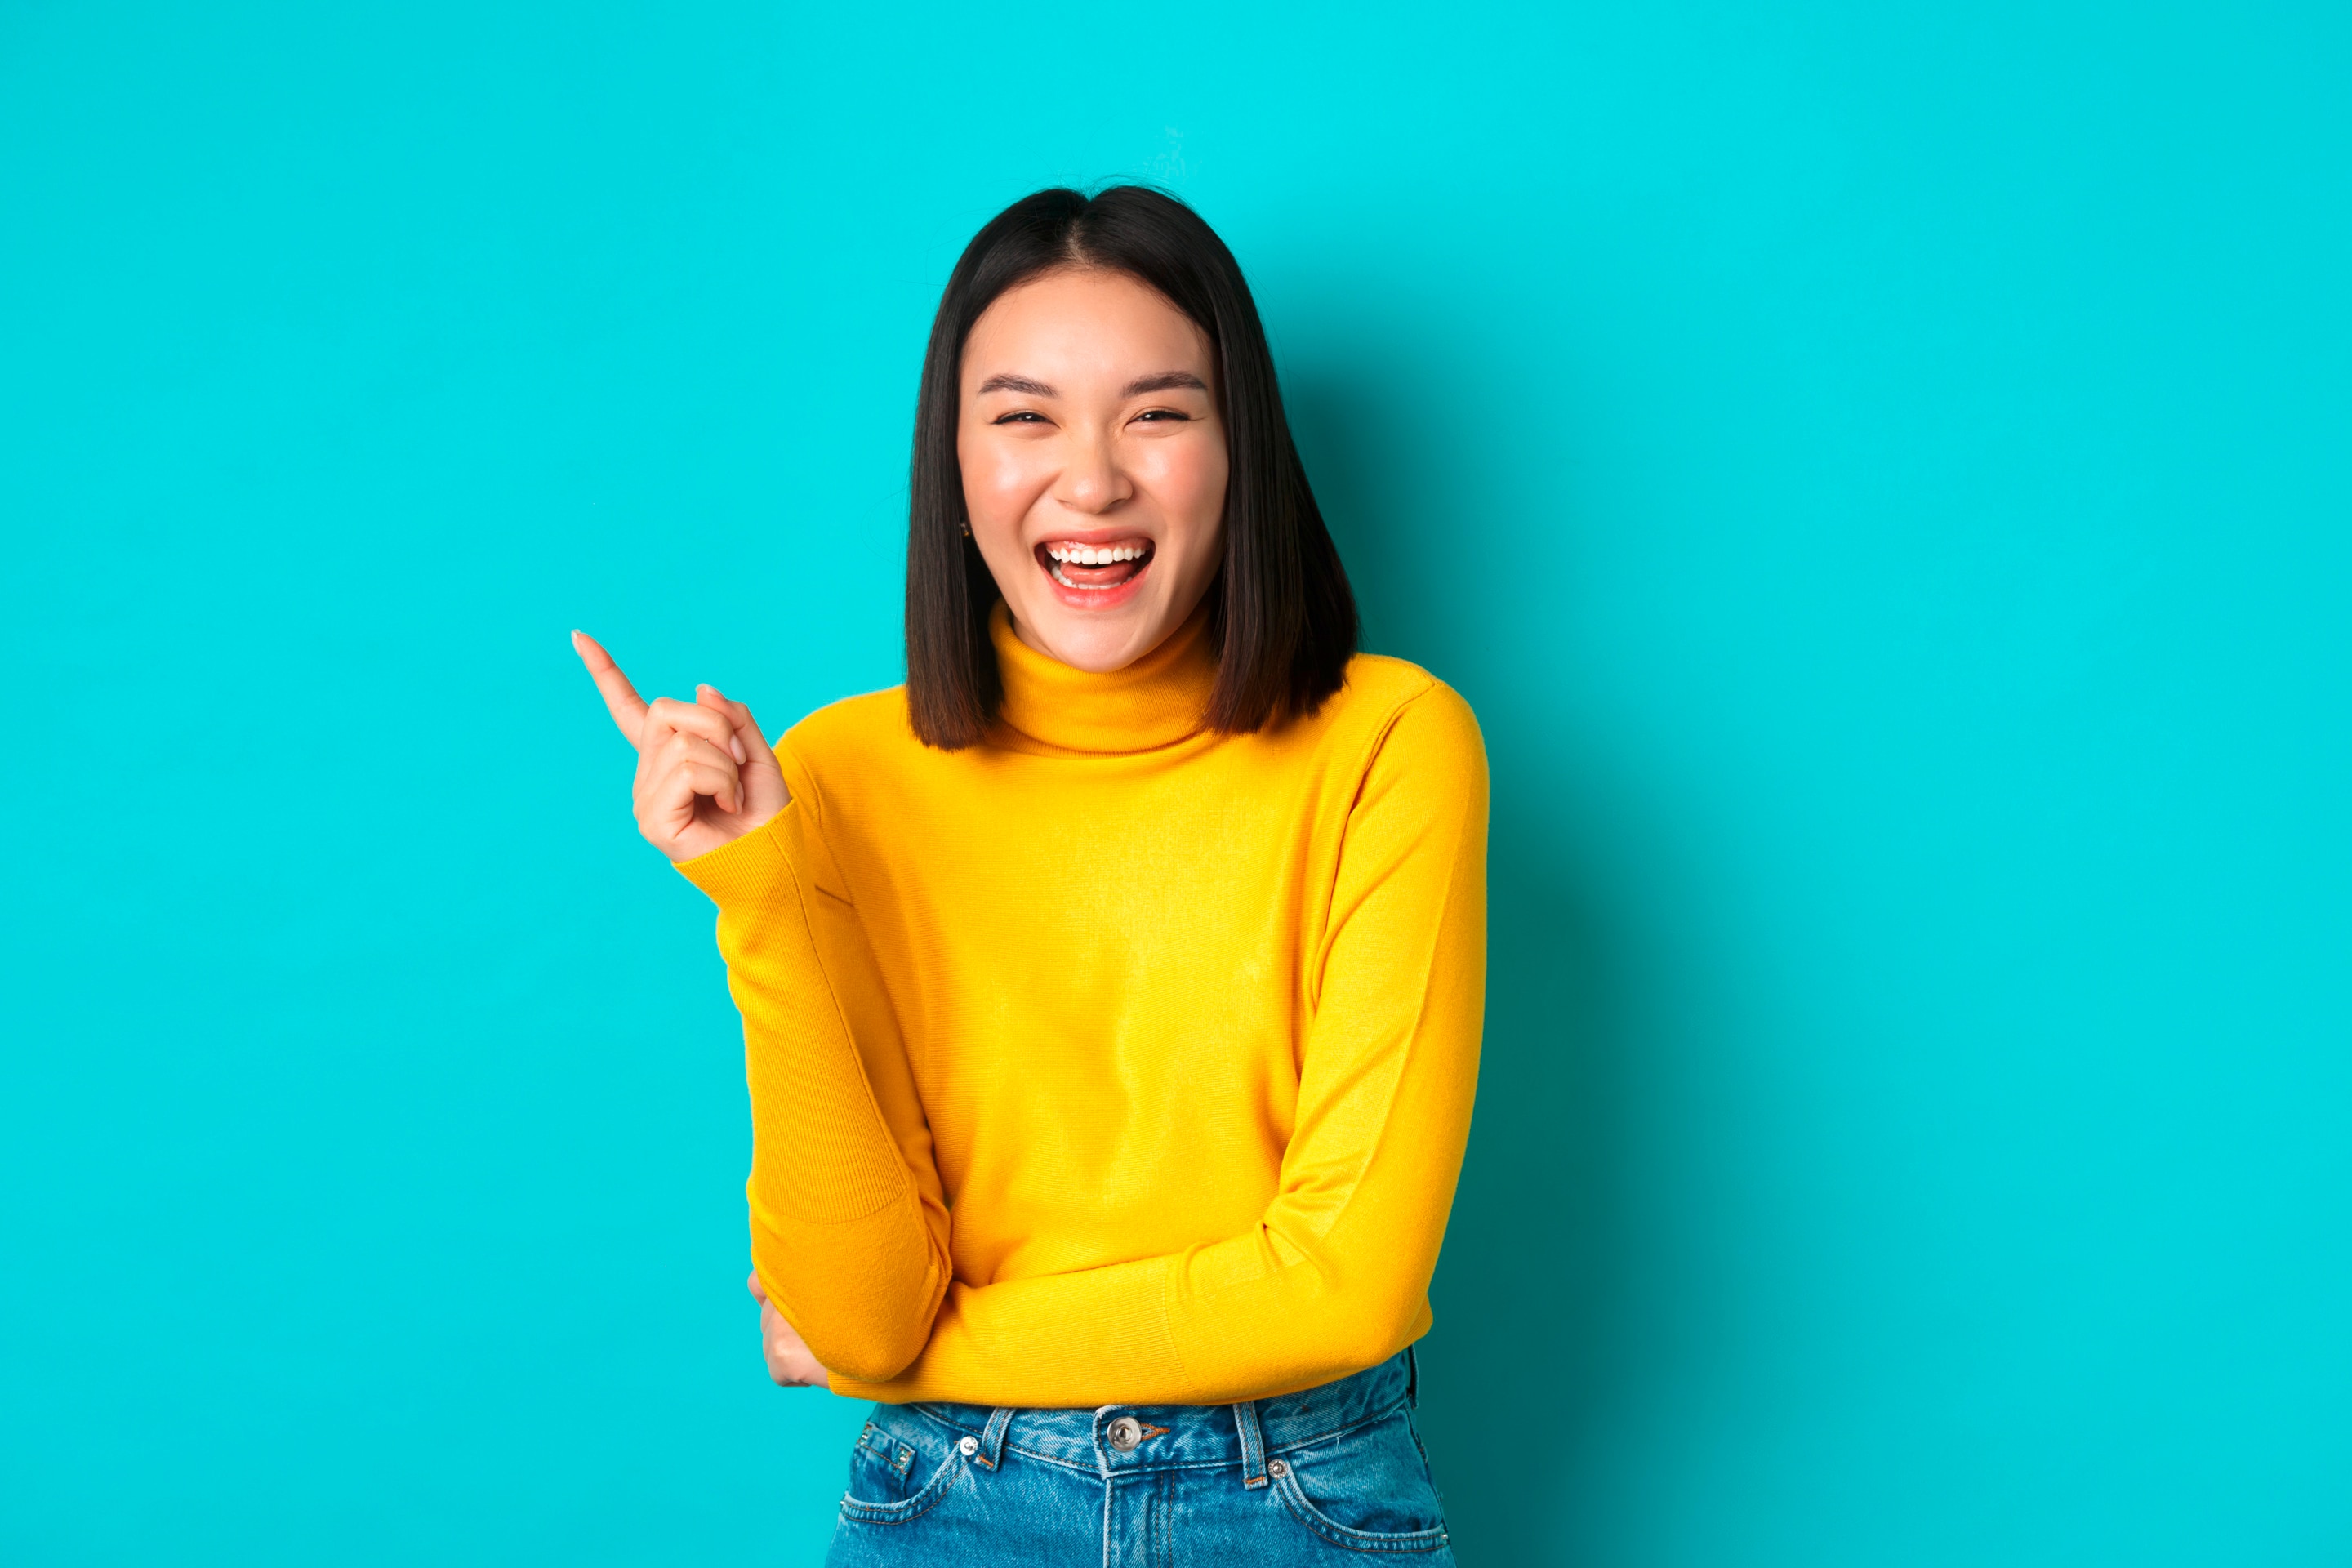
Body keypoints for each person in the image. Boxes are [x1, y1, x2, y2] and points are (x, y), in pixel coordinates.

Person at [575, 185, 1486, 1564]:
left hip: (1298, 1494)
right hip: (951, 1499)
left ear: (1241, 454)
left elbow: (1343, 1290)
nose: (1093, 478)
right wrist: (758, 891)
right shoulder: (836, 775)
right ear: (952, 472)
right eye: (1023, 416)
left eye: (1159, 412)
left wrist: (928, 1353)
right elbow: (863, 1305)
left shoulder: (1389, 745)